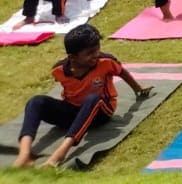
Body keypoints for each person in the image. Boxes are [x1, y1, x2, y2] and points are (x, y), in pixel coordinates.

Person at [9, 23, 153, 169]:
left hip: (101, 111)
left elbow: (122, 72)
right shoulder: (59, 70)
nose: (96, 55)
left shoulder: (106, 62)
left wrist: (138, 88)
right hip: (73, 111)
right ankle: (24, 155)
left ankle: (59, 154)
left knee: (92, 98)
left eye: (97, 49)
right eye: (90, 53)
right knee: (36, 101)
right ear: (73, 57)